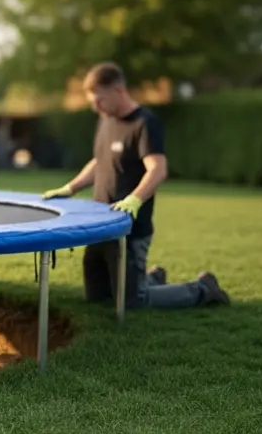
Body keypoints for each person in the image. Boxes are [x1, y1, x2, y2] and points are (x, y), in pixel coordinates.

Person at [41, 62, 230, 310]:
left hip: (129, 227)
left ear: (118, 90)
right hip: (99, 225)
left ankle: (203, 288)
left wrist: (135, 199)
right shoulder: (106, 119)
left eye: (99, 100)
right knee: (97, 297)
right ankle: (152, 278)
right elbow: (100, 162)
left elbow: (158, 169)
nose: (95, 106)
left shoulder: (144, 123)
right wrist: (71, 188)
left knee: (132, 302)